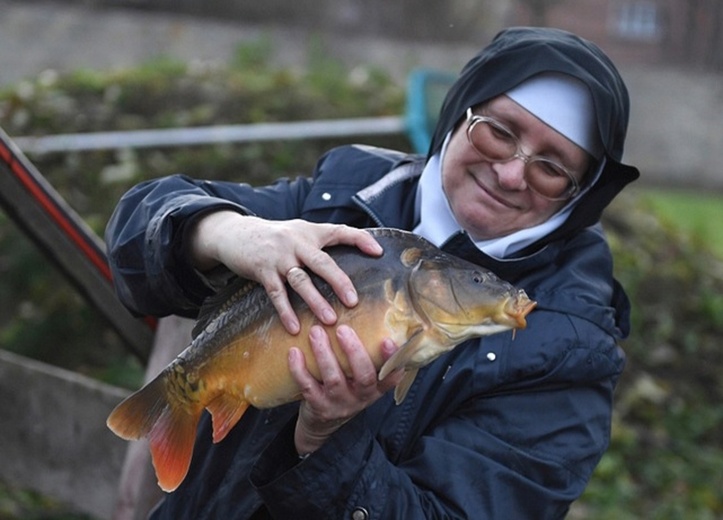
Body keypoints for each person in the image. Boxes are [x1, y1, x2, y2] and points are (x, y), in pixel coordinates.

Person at [105, 26, 640, 519]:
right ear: (459, 113)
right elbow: (135, 228)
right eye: (498, 132)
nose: (509, 174)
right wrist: (228, 234)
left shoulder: (570, 353)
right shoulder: (343, 195)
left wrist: (325, 439)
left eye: (551, 168)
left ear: (580, 195)